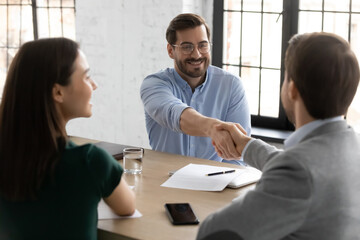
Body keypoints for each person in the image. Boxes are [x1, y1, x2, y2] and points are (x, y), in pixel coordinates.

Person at [197, 32, 360, 239]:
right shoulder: (352, 146)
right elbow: (307, 167)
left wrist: (249, 200)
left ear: (292, 90)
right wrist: (247, 146)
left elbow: (213, 232)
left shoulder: (297, 172)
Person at [0, 38, 135, 240]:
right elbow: (127, 207)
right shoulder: (90, 161)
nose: (94, 85)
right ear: (58, 92)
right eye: (87, 76)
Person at [140, 13, 251, 164]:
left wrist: (227, 184)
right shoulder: (154, 84)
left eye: (203, 45)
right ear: (170, 50)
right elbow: (174, 114)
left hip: (214, 182)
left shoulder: (231, 86)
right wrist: (212, 128)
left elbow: (237, 156)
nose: (197, 54)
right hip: (163, 181)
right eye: (187, 47)